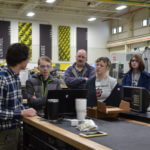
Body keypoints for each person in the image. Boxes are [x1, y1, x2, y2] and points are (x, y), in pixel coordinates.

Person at [0, 43, 37, 150]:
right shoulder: (2, 79)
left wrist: (26, 109)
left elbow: (15, 104)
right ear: (22, 60)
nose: (28, 61)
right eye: (28, 58)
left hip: (15, 130)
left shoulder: (15, 77)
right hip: (4, 134)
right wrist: (21, 112)